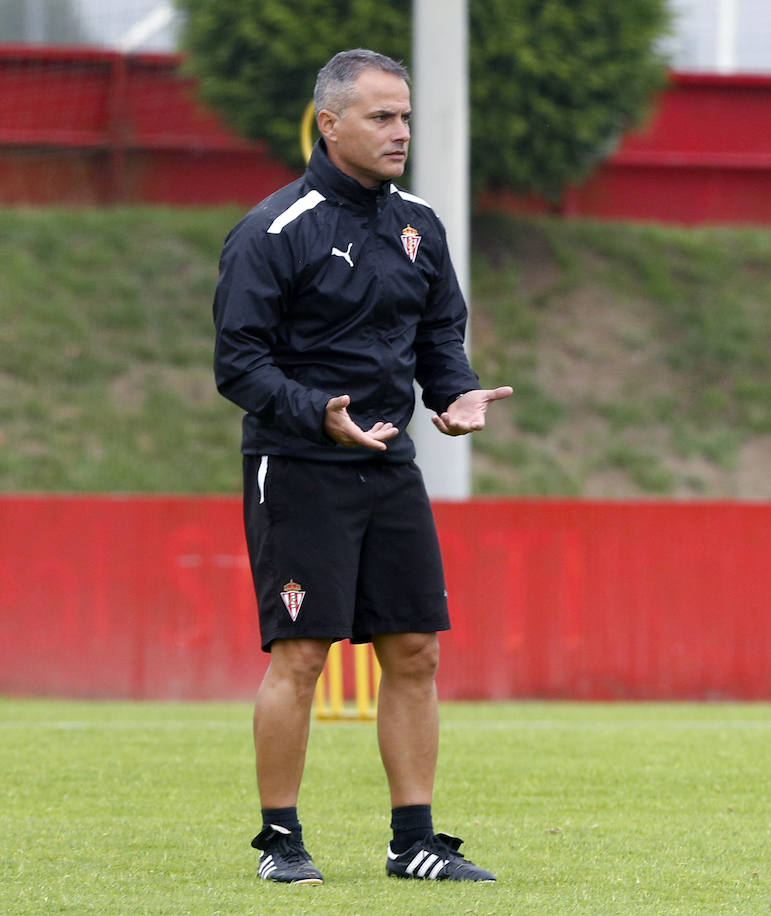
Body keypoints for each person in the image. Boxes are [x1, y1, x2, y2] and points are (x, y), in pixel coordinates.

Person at [212, 48, 512, 885]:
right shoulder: (272, 229)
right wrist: (321, 414)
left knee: (415, 648)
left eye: (406, 116)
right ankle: (280, 841)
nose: (401, 132)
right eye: (382, 117)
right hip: (300, 463)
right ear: (330, 123)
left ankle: (412, 841)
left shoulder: (419, 223)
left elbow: (436, 338)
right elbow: (238, 364)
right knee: (303, 653)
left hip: (390, 464)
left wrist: (453, 397)